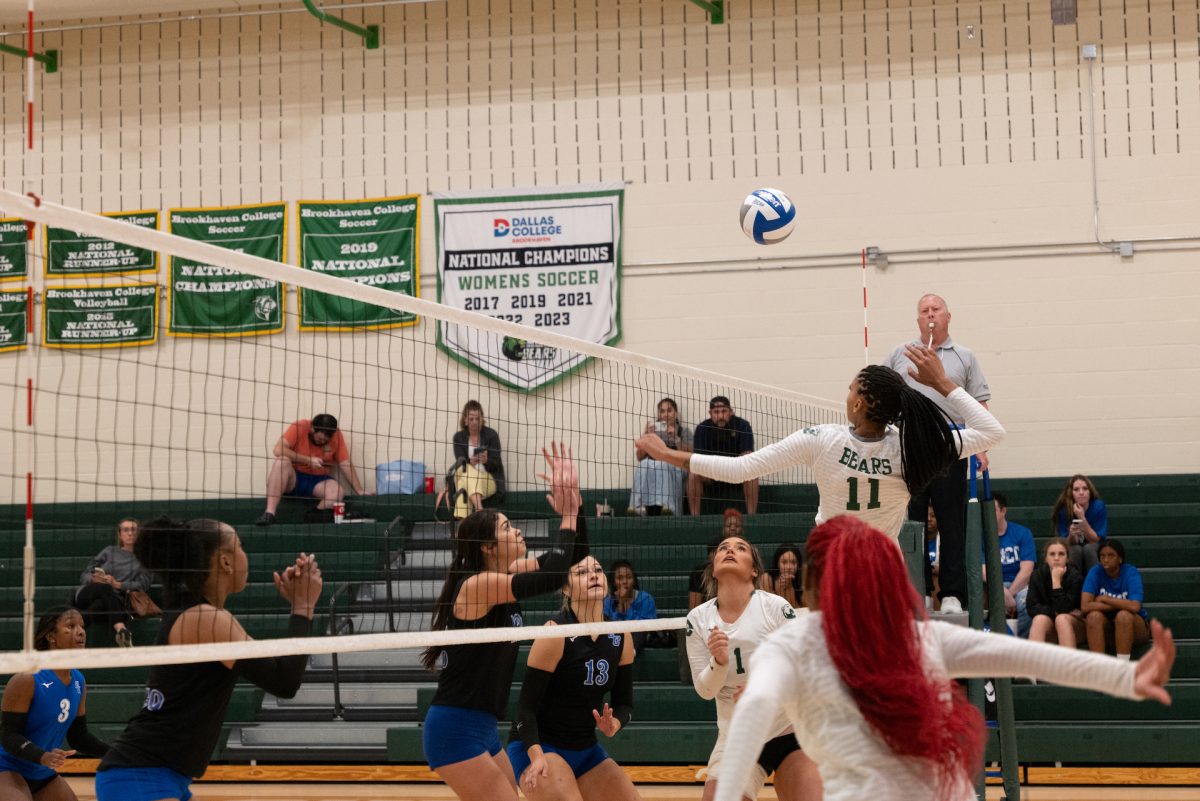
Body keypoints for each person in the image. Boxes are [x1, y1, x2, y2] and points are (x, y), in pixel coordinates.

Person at [712, 515, 1176, 801]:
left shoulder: (791, 644)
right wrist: (1125, 675)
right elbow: (1025, 656)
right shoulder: (917, 637)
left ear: (812, 584)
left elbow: (751, 710)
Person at [638, 344, 1003, 553]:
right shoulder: (910, 448)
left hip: (832, 564)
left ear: (860, 404)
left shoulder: (823, 439)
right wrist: (942, 381)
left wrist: (667, 454)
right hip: (882, 568)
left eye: (851, 389)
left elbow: (739, 470)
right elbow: (991, 432)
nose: (847, 395)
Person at [95, 517, 321, 801]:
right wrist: (303, 606)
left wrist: (301, 606)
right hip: (138, 775)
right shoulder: (208, 619)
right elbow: (285, 682)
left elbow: (281, 673)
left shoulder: (201, 615)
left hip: (161, 774)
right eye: (240, 546)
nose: (244, 554)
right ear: (225, 562)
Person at [420, 443, 589, 801]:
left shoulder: (505, 572)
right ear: (487, 546)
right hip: (454, 726)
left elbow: (572, 559)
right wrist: (568, 519)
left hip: (482, 725)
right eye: (507, 527)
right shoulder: (478, 585)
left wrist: (576, 507)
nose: (517, 532)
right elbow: (556, 573)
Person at [685, 534, 820, 801]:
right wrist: (719, 662)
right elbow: (704, 690)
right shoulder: (698, 618)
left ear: (754, 569)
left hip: (788, 729)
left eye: (740, 547)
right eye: (723, 548)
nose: (730, 550)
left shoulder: (775, 607)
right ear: (713, 569)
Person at [887, 293, 992, 616]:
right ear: (917, 319)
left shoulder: (965, 357)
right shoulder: (900, 355)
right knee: (911, 523)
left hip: (951, 448)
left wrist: (982, 449)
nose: (930, 314)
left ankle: (951, 594)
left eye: (936, 309)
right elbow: (885, 396)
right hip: (910, 449)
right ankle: (914, 592)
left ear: (948, 316)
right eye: (924, 310)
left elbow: (979, 404)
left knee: (951, 523)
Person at [505, 555, 639, 801]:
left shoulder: (621, 635)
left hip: (586, 750)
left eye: (598, 569)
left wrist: (615, 724)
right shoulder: (555, 632)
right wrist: (536, 757)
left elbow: (625, 704)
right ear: (565, 588)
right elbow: (525, 710)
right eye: (581, 572)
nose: (593, 575)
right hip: (538, 746)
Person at [0, 607, 109, 801]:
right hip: (8, 767)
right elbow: (9, 735)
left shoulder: (78, 680)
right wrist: (42, 755)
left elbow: (79, 737)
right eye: (71, 626)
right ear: (51, 637)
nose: (81, 631)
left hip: (42, 771)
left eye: (82, 626)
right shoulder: (28, 678)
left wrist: (116, 752)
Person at [257, 413, 370, 526]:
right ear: (312, 428)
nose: (322, 442)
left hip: (319, 480)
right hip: (295, 478)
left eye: (326, 440)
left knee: (338, 492)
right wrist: (308, 460)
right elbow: (278, 450)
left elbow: (344, 463)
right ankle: (269, 513)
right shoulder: (300, 426)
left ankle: (314, 515)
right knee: (281, 462)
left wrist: (359, 490)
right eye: (320, 438)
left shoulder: (336, 435)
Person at [73, 518, 152, 647]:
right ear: (120, 534)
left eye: (133, 530)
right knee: (105, 589)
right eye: (126, 530)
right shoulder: (109, 551)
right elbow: (84, 574)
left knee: (100, 605)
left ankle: (73, 634)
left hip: (116, 600)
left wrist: (118, 584)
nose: (130, 533)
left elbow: (143, 584)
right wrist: (94, 579)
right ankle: (121, 629)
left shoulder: (144, 558)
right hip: (89, 593)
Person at [688, 397, 758, 516]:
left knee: (753, 473)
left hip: (736, 473)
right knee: (693, 474)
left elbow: (747, 455)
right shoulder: (702, 429)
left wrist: (732, 468)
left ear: (730, 411)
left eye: (724, 411)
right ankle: (695, 517)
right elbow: (698, 459)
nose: (720, 416)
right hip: (711, 474)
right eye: (716, 412)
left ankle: (752, 516)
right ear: (710, 414)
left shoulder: (742, 426)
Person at [1082, 538, 1150, 659]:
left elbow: (1134, 606)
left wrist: (1106, 599)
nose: (1106, 559)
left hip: (1135, 627)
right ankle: (1097, 670)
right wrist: (1122, 603)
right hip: (1108, 627)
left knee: (1123, 616)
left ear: (1120, 558)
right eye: (1102, 556)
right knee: (1093, 617)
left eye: (1111, 555)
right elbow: (1085, 606)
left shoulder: (1130, 572)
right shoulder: (1095, 572)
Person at [982, 492, 1035, 637]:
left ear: (1003, 511)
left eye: (992, 510)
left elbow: (1027, 570)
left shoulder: (1022, 533)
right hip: (991, 586)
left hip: (1018, 585)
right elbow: (983, 571)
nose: (988, 515)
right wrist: (1002, 593)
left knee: (1026, 603)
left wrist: (1010, 594)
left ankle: (1020, 646)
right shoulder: (980, 536)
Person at [631, 397, 692, 516]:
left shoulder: (683, 431)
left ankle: (668, 508)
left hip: (676, 465)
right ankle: (636, 507)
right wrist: (647, 436)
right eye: (662, 411)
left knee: (664, 464)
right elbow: (639, 456)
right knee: (643, 464)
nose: (665, 414)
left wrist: (676, 438)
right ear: (658, 414)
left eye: (669, 410)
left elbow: (690, 455)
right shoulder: (652, 431)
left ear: (676, 413)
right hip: (653, 465)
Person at [451, 400, 507, 519]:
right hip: (469, 478)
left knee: (463, 484)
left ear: (482, 419)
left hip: (488, 480)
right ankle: (479, 509)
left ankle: (462, 531)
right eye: (471, 419)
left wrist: (487, 460)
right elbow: (460, 463)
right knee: (466, 474)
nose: (475, 422)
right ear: (465, 420)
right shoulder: (458, 438)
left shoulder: (491, 435)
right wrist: (470, 462)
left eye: (477, 418)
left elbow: (496, 464)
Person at [1026, 538, 1086, 649]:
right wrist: (1054, 612)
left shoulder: (1075, 576)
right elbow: (1031, 607)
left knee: (1062, 619)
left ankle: (1069, 665)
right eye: (1052, 554)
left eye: (1061, 554)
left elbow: (1064, 609)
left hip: (1074, 626)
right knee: (1039, 619)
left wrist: (1056, 581)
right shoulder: (1037, 575)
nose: (1056, 558)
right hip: (1050, 624)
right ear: (1046, 558)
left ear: (1067, 558)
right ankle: (1032, 664)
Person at [1050, 474, 1108, 575]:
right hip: (1074, 547)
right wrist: (1072, 535)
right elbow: (1065, 543)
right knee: (1075, 550)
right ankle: (1074, 587)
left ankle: (1095, 586)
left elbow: (1095, 540)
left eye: (1085, 489)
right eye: (1076, 489)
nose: (1081, 492)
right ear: (1071, 493)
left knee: (1088, 548)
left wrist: (1082, 518)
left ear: (1090, 492)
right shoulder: (1064, 510)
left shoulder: (1098, 506)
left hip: (1095, 546)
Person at [688, 513, 743, 610]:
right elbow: (694, 609)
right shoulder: (699, 572)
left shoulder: (737, 570)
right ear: (710, 556)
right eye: (717, 552)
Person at [604, 560, 658, 652]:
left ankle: (631, 653)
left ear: (634, 580)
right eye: (620, 578)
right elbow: (607, 625)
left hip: (638, 636)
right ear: (613, 582)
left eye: (628, 577)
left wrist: (627, 606)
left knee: (639, 632)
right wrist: (620, 605)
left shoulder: (646, 598)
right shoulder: (607, 601)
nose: (625, 581)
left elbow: (647, 627)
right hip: (614, 636)